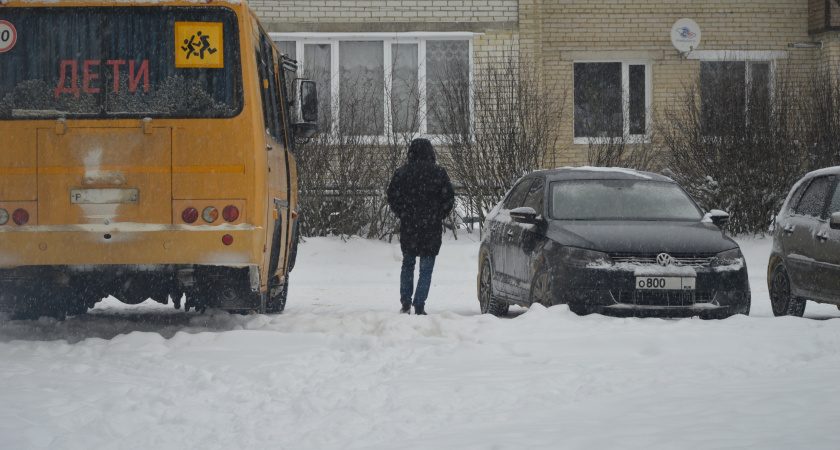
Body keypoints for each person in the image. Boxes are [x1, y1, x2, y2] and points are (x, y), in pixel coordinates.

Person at [387, 138, 455, 315]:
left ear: (411, 153)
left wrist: (403, 213)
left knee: (408, 263)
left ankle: (405, 303)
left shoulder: (402, 173)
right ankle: (419, 304)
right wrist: (438, 215)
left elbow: (392, 196)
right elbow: (448, 198)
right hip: (431, 226)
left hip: (409, 225)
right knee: (427, 266)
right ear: (431, 152)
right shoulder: (439, 173)